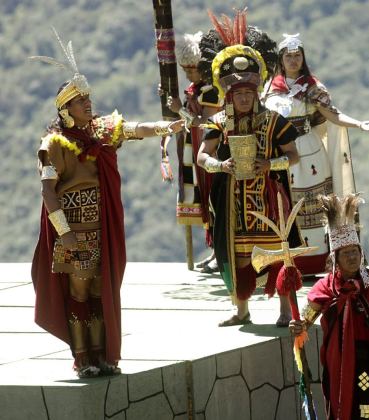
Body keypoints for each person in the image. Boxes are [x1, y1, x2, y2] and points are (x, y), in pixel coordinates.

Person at [30, 30, 184, 378]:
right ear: (65, 109)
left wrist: (166, 127)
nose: (88, 104)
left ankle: (103, 357)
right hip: (72, 229)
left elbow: (135, 128)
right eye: (79, 100)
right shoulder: (52, 144)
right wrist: (64, 233)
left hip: (101, 227)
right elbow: (48, 192)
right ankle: (83, 359)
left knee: (101, 289)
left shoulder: (102, 130)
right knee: (79, 291)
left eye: (88, 98)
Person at [196, 14, 302, 328]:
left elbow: (294, 156)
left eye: (248, 93)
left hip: (269, 200)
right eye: (238, 94)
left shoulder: (274, 121)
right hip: (234, 203)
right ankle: (241, 310)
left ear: (256, 94)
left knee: (277, 255)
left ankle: (285, 310)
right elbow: (202, 156)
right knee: (239, 255)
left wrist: (269, 164)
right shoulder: (218, 123)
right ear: (229, 95)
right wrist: (221, 165)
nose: (243, 98)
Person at [264, 33, 369, 275]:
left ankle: (316, 261)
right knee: (282, 204)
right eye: (288, 56)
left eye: (297, 55)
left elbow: (333, 115)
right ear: (281, 59)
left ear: (303, 58)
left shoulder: (312, 87)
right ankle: (286, 263)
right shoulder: (270, 88)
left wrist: (358, 124)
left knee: (313, 207)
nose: (293, 60)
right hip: (278, 151)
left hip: (308, 151)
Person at [289, 193, 369, 420]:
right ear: (335, 257)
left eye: (355, 251)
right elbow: (304, 321)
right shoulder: (325, 288)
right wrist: (297, 326)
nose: (352, 257)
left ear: (361, 253)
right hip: (342, 370)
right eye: (346, 253)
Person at [166, 31, 220, 273]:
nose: (188, 75)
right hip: (193, 150)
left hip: (211, 152)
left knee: (213, 200)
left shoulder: (212, 90)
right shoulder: (195, 89)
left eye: (192, 70)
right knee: (204, 200)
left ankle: (221, 251)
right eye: (185, 70)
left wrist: (181, 110)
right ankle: (215, 250)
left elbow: (207, 122)